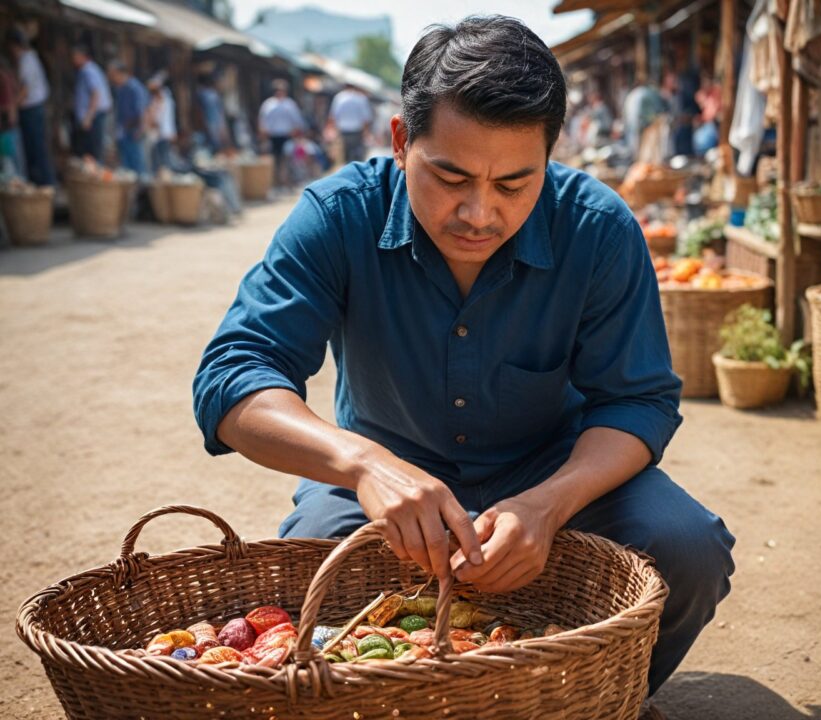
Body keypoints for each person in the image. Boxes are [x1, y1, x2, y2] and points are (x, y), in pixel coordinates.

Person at [193, 16, 734, 717]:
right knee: (310, 596)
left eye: (515, 183)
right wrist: (364, 466)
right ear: (399, 141)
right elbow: (233, 376)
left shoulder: (599, 229)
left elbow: (637, 404)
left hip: (558, 472)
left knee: (686, 549)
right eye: (450, 176)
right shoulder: (335, 217)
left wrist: (549, 504)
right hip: (387, 471)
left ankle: (606, 701)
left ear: (550, 155)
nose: (480, 212)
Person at [8, 31, 53, 185]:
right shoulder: (31, 58)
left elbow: (25, 89)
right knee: (37, 148)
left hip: (32, 109)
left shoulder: (27, 60)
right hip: (35, 108)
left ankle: (42, 184)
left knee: (36, 149)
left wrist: (13, 105)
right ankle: (42, 183)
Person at [258, 79, 307, 188]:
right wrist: (263, 133)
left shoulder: (289, 104)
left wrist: (297, 134)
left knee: (286, 159)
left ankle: (286, 181)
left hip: (286, 135)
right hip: (272, 136)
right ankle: (276, 182)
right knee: (274, 159)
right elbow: (262, 120)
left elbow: (297, 121)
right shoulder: (268, 104)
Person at [107, 60, 148, 175]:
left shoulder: (134, 88)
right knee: (126, 167)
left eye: (112, 74)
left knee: (137, 164)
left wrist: (141, 129)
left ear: (120, 73)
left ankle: (141, 190)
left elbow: (143, 111)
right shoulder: (120, 89)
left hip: (134, 131)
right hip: (124, 132)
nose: (111, 78)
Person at [72, 43, 112, 162]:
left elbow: (96, 93)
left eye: (74, 56)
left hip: (93, 116)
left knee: (93, 151)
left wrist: (89, 117)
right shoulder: (89, 69)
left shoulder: (88, 71)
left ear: (82, 56)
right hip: (93, 115)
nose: (72, 60)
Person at [328, 82, 373, 163]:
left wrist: (332, 130)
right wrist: (366, 133)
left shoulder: (339, 97)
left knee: (345, 156)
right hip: (357, 132)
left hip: (343, 131)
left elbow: (333, 116)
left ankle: (347, 170)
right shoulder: (361, 98)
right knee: (357, 155)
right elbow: (366, 119)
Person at [145, 73, 177, 173]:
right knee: (159, 161)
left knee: (162, 162)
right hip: (161, 134)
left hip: (162, 134)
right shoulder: (161, 99)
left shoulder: (163, 100)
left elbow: (158, 119)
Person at [0, 55, 21, 177]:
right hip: (8, 125)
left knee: (9, 161)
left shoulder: (4, 79)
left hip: (6, 125)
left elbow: (8, 105)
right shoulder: (8, 77)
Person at [196, 74, 228, 154]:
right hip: (215, 121)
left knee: (211, 143)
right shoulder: (214, 94)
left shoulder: (201, 93)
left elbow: (199, 110)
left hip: (208, 121)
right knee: (215, 142)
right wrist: (222, 125)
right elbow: (220, 111)